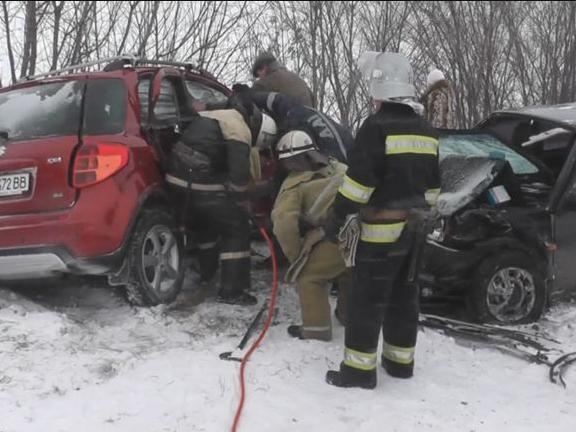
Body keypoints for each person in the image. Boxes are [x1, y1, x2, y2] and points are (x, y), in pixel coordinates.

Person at [324, 51, 440, 389]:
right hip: (415, 233)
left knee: (367, 301)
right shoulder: (427, 130)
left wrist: (337, 216)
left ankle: (359, 372)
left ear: (379, 91)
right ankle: (400, 363)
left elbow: (359, 185)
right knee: (405, 298)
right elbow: (433, 190)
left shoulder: (376, 128)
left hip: (380, 234)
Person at [165, 96, 278, 306]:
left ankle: (208, 273)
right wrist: (243, 200)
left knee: (205, 225)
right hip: (199, 182)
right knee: (237, 227)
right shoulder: (240, 130)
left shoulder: (218, 115)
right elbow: (238, 178)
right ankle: (232, 290)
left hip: (176, 182)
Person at [271, 130, 349, 341]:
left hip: (334, 237)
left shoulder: (294, 185)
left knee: (310, 276)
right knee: (348, 271)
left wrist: (295, 256)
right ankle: (348, 316)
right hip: (365, 236)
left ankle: (316, 331)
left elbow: (283, 223)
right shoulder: (341, 168)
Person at [250, 90, 353, 163]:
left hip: (345, 161)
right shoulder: (294, 111)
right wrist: (250, 95)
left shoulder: (294, 128)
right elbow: (277, 99)